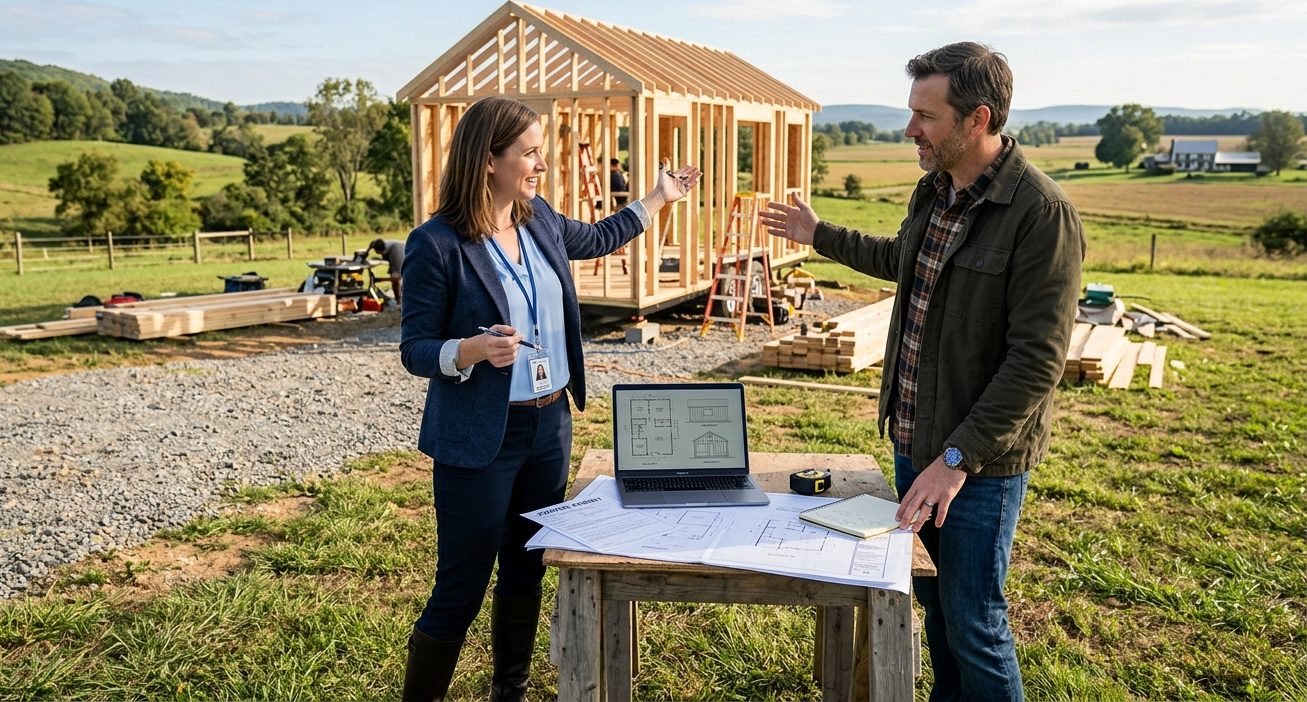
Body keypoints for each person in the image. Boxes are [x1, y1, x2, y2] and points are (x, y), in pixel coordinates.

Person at [760, 42, 1084, 701]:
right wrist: (819, 233)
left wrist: (957, 458)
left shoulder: (1040, 216)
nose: (910, 130)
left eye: (925, 117)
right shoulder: (935, 192)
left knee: (976, 622)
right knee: (939, 613)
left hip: (975, 468)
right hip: (914, 445)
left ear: (977, 119)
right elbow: (900, 258)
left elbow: (1037, 361)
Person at [399, 95, 699, 702]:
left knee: (526, 569)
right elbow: (415, 349)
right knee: (461, 587)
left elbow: (601, 235)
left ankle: (507, 691)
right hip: (483, 438)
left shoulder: (540, 220)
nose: (541, 164)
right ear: (488, 160)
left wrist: (659, 196)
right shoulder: (436, 245)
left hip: (549, 426)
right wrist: (471, 351)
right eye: (529, 153)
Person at [368, 238, 406, 303]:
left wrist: (378, 280)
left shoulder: (396, 253)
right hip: (395, 249)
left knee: (395, 279)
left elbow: (396, 277)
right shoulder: (377, 244)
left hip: (401, 251)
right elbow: (372, 243)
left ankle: (398, 300)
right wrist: (367, 252)